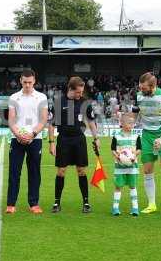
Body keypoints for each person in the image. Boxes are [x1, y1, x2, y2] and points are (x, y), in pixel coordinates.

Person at [48, 76, 99, 213]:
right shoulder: (59, 102)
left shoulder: (85, 103)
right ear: (70, 89)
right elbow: (51, 125)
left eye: (81, 92)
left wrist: (96, 138)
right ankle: (56, 203)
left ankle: (86, 203)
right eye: (78, 92)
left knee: (81, 170)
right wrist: (51, 142)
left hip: (79, 140)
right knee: (61, 171)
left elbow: (92, 122)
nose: (80, 94)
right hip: (63, 140)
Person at [133, 72, 161, 215]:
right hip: (146, 135)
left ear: (153, 86)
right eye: (140, 87)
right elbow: (133, 116)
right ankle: (152, 204)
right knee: (147, 170)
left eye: (144, 88)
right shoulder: (138, 95)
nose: (141, 90)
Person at [6, 69, 48, 214]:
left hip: (35, 139)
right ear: (20, 81)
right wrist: (18, 134)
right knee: (14, 171)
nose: (28, 85)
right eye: (25, 82)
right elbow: (11, 120)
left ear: (34, 81)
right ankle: (11, 204)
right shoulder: (14, 97)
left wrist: (33, 134)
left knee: (34, 172)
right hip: (17, 139)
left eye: (30, 82)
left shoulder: (42, 97)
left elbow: (43, 119)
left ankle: (34, 203)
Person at [111, 113, 141, 216]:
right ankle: (115, 208)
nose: (132, 125)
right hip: (120, 167)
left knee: (133, 186)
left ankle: (135, 208)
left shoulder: (136, 136)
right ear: (122, 123)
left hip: (133, 166)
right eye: (129, 123)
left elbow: (139, 149)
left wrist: (133, 156)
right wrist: (118, 157)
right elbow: (113, 150)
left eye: (133, 123)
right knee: (118, 186)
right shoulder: (116, 136)